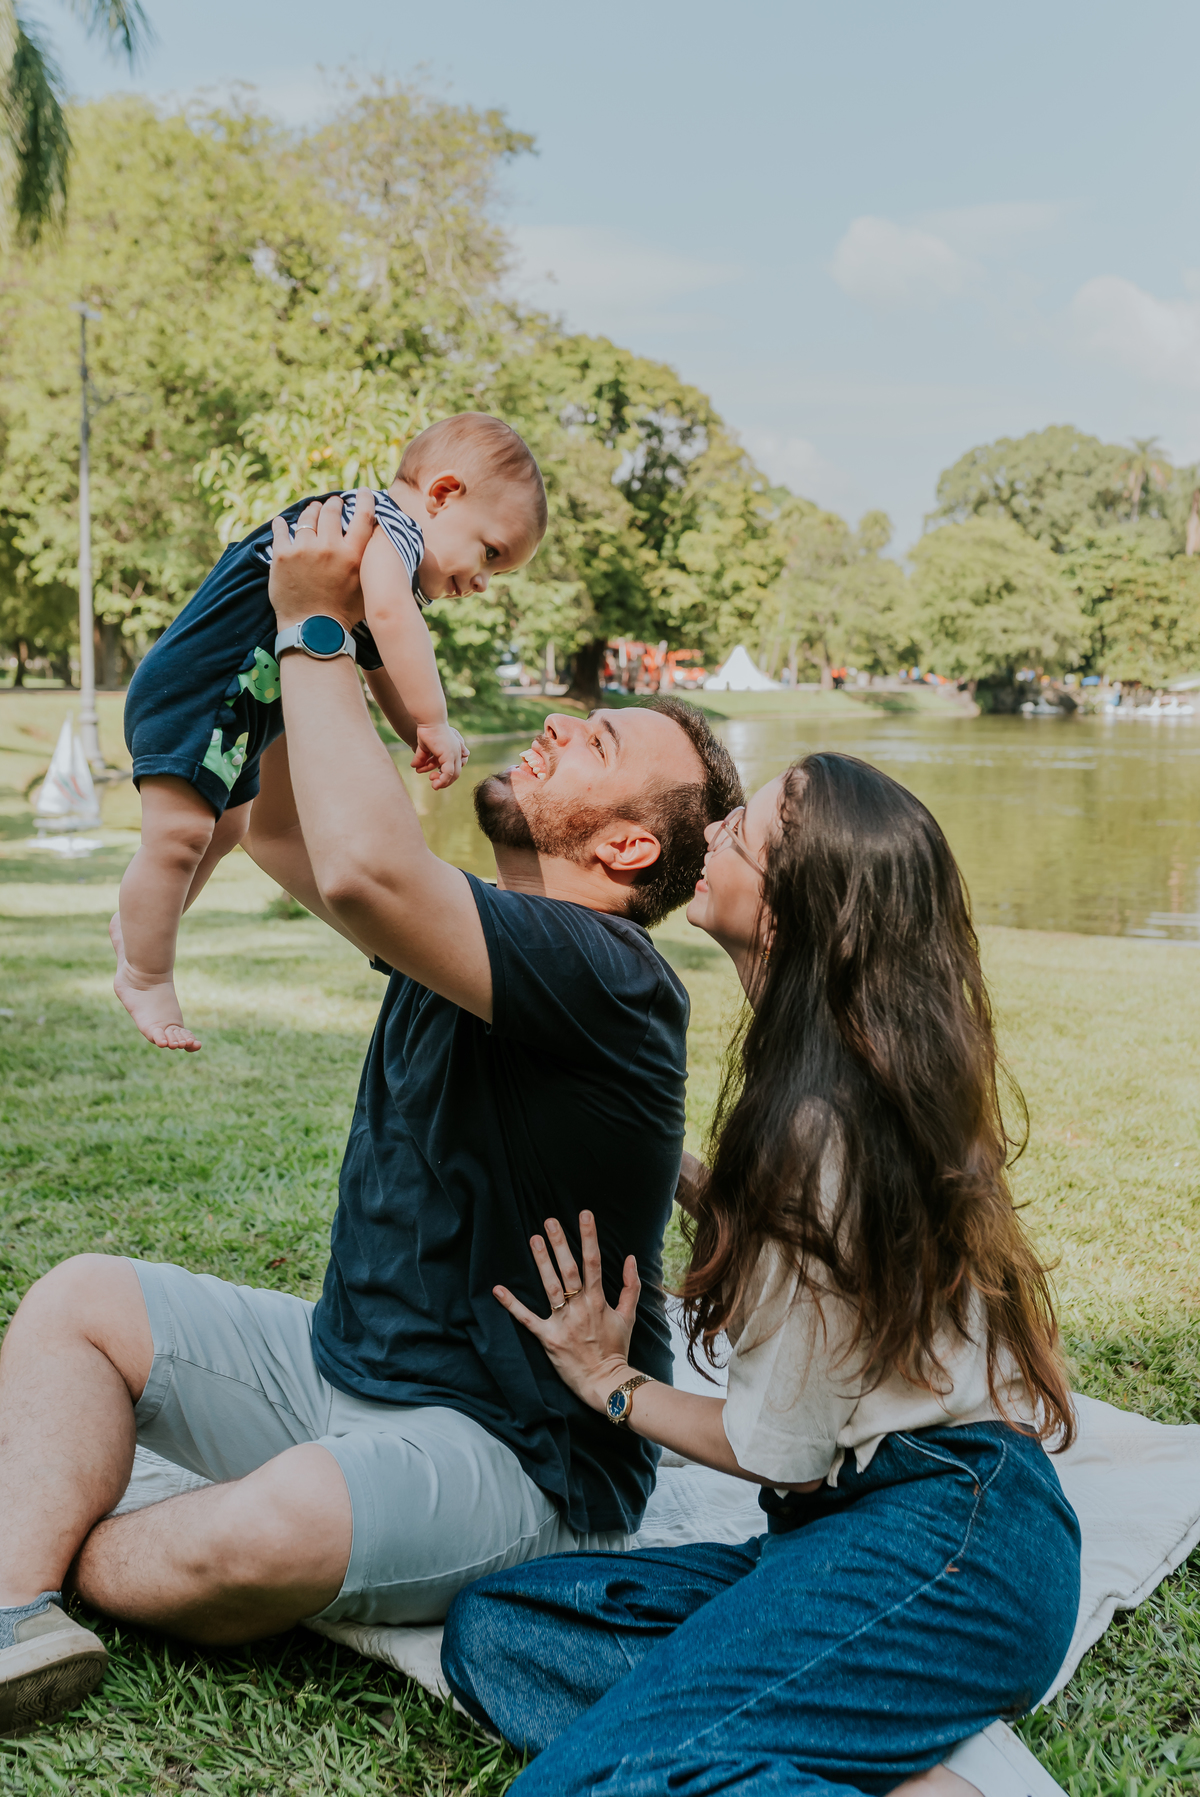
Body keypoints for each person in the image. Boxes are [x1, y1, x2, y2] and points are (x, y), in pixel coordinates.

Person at [0, 494, 743, 1738]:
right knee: (78, 1299)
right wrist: (288, 610)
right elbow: (295, 833)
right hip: (347, 1364)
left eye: (601, 741)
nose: (562, 723)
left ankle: (63, 1547)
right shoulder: (471, 934)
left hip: (521, 1455)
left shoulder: (611, 972)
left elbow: (358, 866)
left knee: (276, 1519)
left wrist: (321, 630)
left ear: (623, 849)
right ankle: (17, 1606)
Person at [441, 752, 1083, 1796]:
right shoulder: (866, 1080)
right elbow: (818, 1251)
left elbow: (780, 1452)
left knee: (585, 1787)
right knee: (504, 1629)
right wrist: (672, 1169)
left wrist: (615, 1383)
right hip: (898, 1537)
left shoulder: (816, 1128)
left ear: (789, 910)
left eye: (748, 830)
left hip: (950, 1548)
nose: (722, 827)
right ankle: (848, 1752)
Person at [112, 411, 546, 1053]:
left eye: (498, 572)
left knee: (230, 827)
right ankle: (145, 973)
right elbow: (395, 623)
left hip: (238, 711)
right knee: (178, 836)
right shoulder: (377, 528)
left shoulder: (368, 562)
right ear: (443, 493)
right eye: (490, 552)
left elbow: (374, 665)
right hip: (197, 690)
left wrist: (414, 733)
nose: (482, 581)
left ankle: (144, 923)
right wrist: (435, 721)